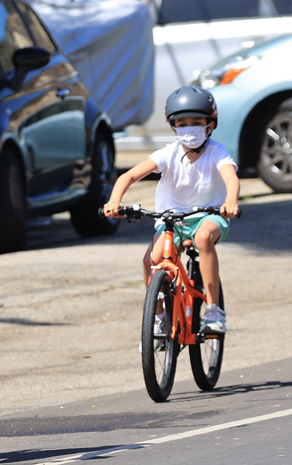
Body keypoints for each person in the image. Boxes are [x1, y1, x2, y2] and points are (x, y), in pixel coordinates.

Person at [103, 86, 240, 334]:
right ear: (173, 125)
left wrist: (230, 201)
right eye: (182, 123)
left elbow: (230, 177)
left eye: (196, 122)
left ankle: (212, 311)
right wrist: (114, 200)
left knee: (203, 237)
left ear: (211, 124)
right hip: (170, 220)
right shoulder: (168, 153)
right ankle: (158, 318)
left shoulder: (217, 152)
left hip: (208, 216)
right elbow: (130, 175)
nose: (189, 128)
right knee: (152, 260)